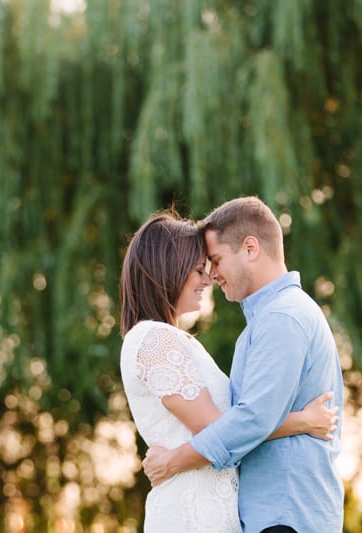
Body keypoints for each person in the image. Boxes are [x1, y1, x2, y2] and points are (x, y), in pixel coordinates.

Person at [120, 209, 338, 533]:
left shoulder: (281, 318)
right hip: (198, 514)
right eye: (200, 268)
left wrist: (174, 459)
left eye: (214, 261)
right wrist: (301, 421)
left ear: (250, 249)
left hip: (282, 513)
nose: (210, 277)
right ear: (169, 270)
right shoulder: (156, 339)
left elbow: (245, 420)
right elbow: (230, 422)